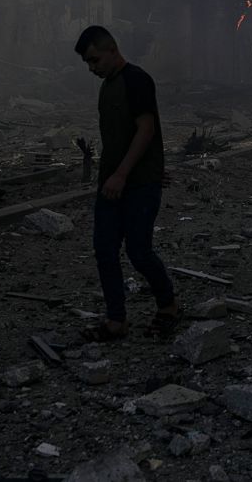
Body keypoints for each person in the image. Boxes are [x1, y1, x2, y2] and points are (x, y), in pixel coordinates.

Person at [73, 25, 179, 342]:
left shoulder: (137, 80)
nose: (92, 68)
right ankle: (116, 320)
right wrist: (111, 176)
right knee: (104, 250)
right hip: (112, 184)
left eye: (95, 60)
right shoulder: (108, 86)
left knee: (139, 251)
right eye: (88, 64)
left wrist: (125, 174)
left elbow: (146, 130)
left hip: (138, 184)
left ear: (112, 50)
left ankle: (168, 307)